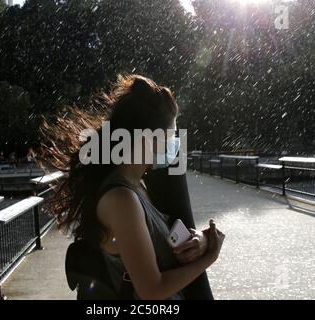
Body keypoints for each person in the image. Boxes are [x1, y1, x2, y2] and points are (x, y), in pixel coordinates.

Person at [40, 74, 225, 300]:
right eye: (172, 135)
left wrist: (200, 241)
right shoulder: (121, 199)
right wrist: (209, 257)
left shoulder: (140, 185)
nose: (175, 144)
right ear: (148, 138)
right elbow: (151, 290)